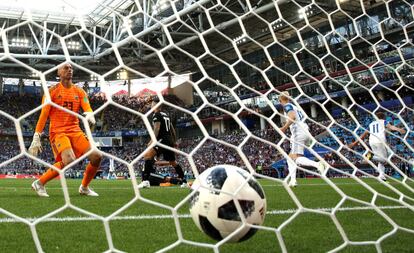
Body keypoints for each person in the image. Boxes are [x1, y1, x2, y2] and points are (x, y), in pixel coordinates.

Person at [29, 63, 102, 197]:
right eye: (66, 68)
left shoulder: (80, 91)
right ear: (58, 73)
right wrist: (37, 135)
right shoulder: (51, 92)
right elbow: (43, 114)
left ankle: (84, 188)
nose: (69, 70)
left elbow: (87, 106)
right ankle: (39, 183)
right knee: (69, 160)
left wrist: (90, 113)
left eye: (71, 68)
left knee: (97, 156)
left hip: (75, 130)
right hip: (58, 131)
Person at [278, 91, 326, 187]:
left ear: (280, 100)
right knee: (290, 158)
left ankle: (317, 165)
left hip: (298, 133)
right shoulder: (294, 106)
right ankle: (293, 181)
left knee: (295, 158)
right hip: (305, 131)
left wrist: (284, 128)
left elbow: (292, 117)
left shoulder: (287, 106)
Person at [138, 98, 188, 188]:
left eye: (152, 104)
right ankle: (184, 181)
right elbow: (172, 129)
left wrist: (152, 141)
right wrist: (174, 141)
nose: (151, 106)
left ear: (157, 105)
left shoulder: (156, 115)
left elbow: (157, 128)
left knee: (147, 156)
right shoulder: (166, 115)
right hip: (169, 141)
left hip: (162, 140)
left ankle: (145, 181)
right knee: (173, 162)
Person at [348, 111, 406, 181]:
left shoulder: (371, 124)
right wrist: (399, 129)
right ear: (383, 117)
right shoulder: (384, 121)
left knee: (381, 161)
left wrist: (354, 143)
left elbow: (364, 134)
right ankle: (370, 156)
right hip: (380, 141)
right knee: (384, 160)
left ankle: (382, 176)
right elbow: (391, 127)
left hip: (371, 142)